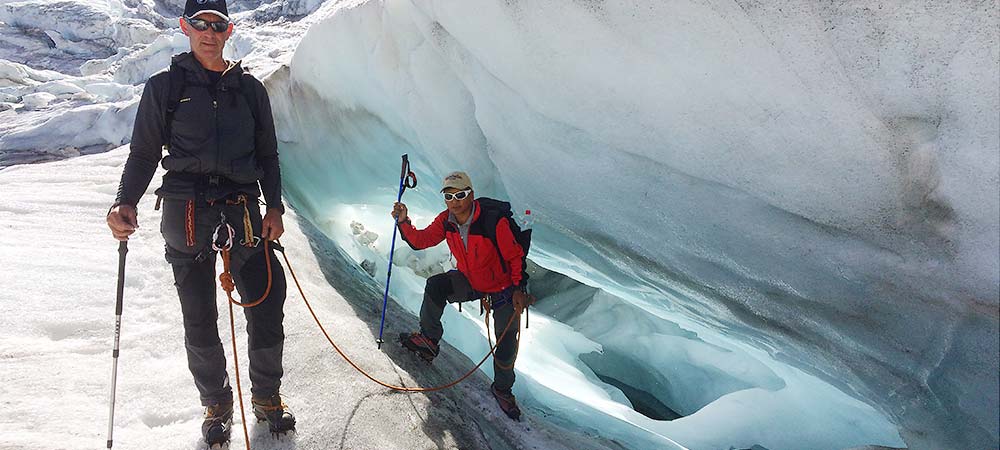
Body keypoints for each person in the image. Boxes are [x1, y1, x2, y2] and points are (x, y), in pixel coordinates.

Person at [105, 0, 294, 445]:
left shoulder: (250, 90)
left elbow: (268, 155)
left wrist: (276, 208)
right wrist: (124, 201)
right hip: (186, 207)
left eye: (218, 25)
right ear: (184, 27)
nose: (209, 32)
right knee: (199, 314)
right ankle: (216, 403)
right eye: (200, 24)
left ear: (230, 31)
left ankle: (267, 397)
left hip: (244, 206)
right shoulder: (165, 88)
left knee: (267, 302)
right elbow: (145, 152)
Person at [392, 171, 533, 421]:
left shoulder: (492, 222)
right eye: (449, 196)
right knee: (436, 285)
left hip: (503, 289)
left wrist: (519, 289)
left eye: (460, 194)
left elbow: (514, 256)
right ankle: (429, 340)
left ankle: (502, 389)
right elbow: (422, 240)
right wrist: (404, 222)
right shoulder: (446, 221)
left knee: (506, 340)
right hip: (471, 280)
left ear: (471, 194)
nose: (455, 201)